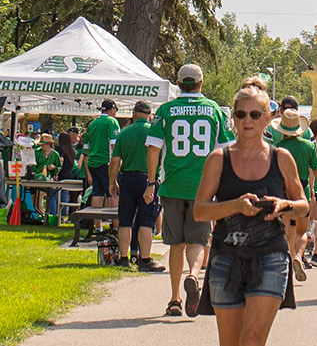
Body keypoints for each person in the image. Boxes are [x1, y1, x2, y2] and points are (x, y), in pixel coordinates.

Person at [193, 82, 310, 346]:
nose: (248, 120)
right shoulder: (219, 158)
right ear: (233, 118)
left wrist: (283, 204)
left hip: (270, 255)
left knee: (252, 342)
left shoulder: (282, 158)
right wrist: (234, 206)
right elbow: (200, 210)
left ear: (268, 119)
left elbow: (304, 204)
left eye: (255, 114)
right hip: (227, 255)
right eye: (241, 114)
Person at [153, 65, 226, 317]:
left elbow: (153, 146)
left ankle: (174, 299)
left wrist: (152, 180)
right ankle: (194, 276)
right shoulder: (214, 110)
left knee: (176, 243)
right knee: (198, 239)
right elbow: (225, 149)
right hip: (203, 186)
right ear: (200, 83)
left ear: (178, 83)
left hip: (172, 183)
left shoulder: (165, 110)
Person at [269, 98, 317, 276]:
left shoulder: (276, 148)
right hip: (302, 190)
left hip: (282, 191)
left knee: (288, 229)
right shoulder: (309, 146)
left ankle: (290, 258)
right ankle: (299, 257)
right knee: (303, 229)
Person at [109, 99, 161, 272]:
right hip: (148, 179)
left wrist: (112, 181)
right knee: (146, 220)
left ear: (134, 113)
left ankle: (124, 258)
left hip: (128, 178)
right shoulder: (154, 131)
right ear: (149, 115)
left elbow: (115, 160)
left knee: (125, 220)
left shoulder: (124, 132)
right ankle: (144, 259)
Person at [83, 99, 119, 210]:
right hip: (106, 163)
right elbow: (115, 146)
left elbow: (86, 148)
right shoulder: (112, 122)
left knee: (97, 193)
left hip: (93, 163)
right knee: (113, 192)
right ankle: (115, 225)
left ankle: (98, 226)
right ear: (112, 109)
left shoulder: (92, 123)